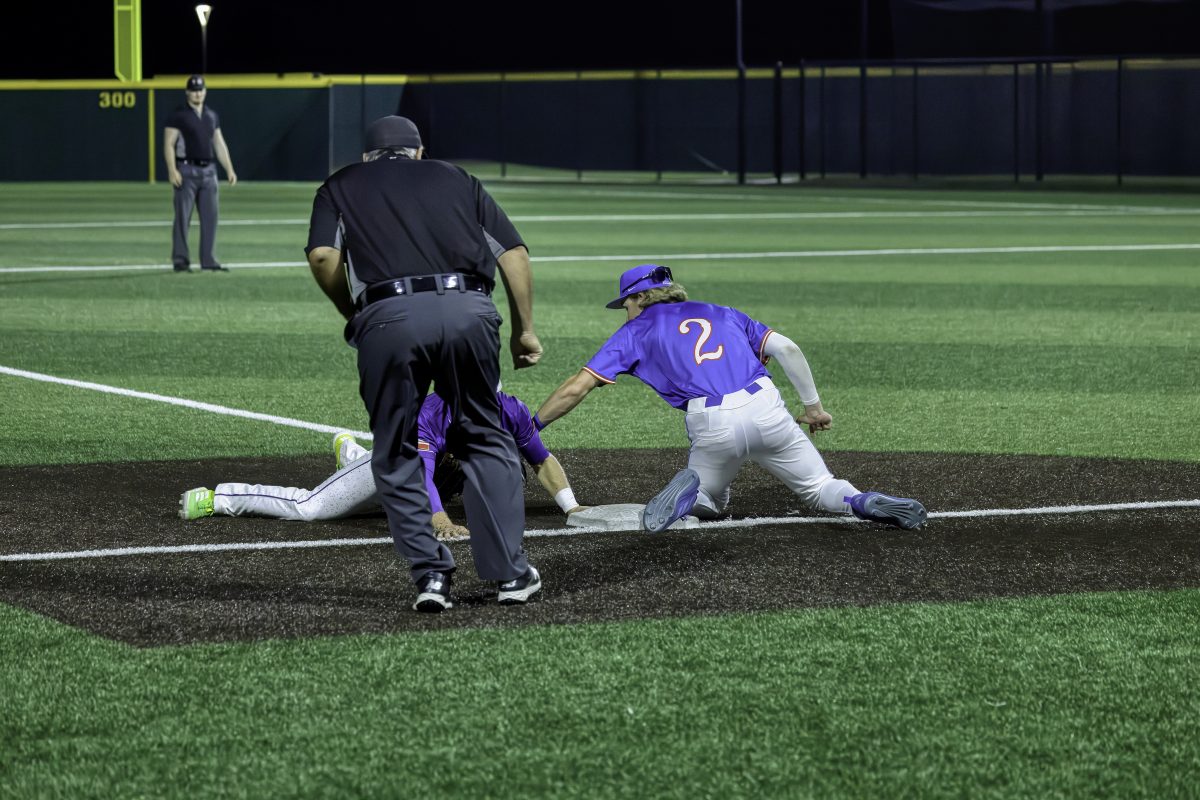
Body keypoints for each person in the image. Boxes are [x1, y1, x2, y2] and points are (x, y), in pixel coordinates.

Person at [305, 114, 543, 612]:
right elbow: (514, 254)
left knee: (396, 450)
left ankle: (431, 575)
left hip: (389, 320)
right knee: (486, 437)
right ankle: (511, 575)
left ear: (367, 156)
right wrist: (524, 330)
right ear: (418, 151)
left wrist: (353, 312)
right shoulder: (457, 178)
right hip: (468, 312)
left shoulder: (340, 184)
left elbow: (323, 257)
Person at [533, 263, 927, 534]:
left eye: (626, 305)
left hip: (712, 423)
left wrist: (533, 426)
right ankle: (861, 501)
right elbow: (787, 348)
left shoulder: (634, 332)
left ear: (639, 298)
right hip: (767, 408)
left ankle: (692, 494)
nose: (625, 312)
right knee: (821, 486)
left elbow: (577, 387)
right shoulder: (723, 312)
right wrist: (813, 408)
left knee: (709, 497)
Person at [178, 390, 587, 533]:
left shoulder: (511, 410)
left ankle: (351, 454)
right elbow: (422, 476)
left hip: (444, 467)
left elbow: (541, 461)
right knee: (312, 508)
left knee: (509, 467)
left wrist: (571, 507)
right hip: (400, 461)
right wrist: (440, 519)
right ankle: (220, 497)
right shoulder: (431, 415)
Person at [164, 74, 237, 272]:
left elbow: (219, 143)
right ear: (187, 92)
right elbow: (169, 144)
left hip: (209, 172)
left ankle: (208, 260)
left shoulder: (211, 115)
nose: (198, 94)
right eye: (194, 90)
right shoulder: (178, 115)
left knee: (210, 218)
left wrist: (229, 169)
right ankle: (180, 260)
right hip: (186, 170)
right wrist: (172, 170)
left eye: (201, 90)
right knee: (182, 218)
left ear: (205, 91)